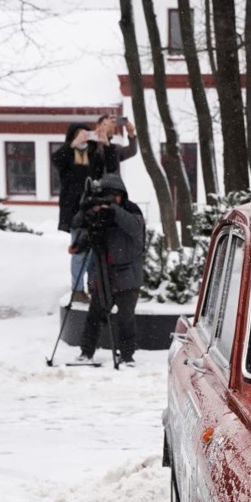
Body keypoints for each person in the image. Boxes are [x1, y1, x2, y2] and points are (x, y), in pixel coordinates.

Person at [53, 114, 138, 298]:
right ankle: (77, 289)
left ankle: (94, 287)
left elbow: (111, 164)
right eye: (106, 124)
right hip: (76, 211)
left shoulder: (94, 154)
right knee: (79, 249)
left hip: (95, 208)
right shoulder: (68, 155)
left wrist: (105, 143)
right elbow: (57, 160)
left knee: (95, 251)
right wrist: (73, 144)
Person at [72, 173, 147, 366]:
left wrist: (113, 210)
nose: (112, 199)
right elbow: (84, 227)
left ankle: (127, 356)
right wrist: (90, 211)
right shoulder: (100, 214)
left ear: (122, 195)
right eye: (108, 195)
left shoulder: (131, 210)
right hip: (104, 273)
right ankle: (86, 352)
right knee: (94, 313)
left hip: (128, 274)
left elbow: (134, 228)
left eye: (115, 195)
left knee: (126, 317)